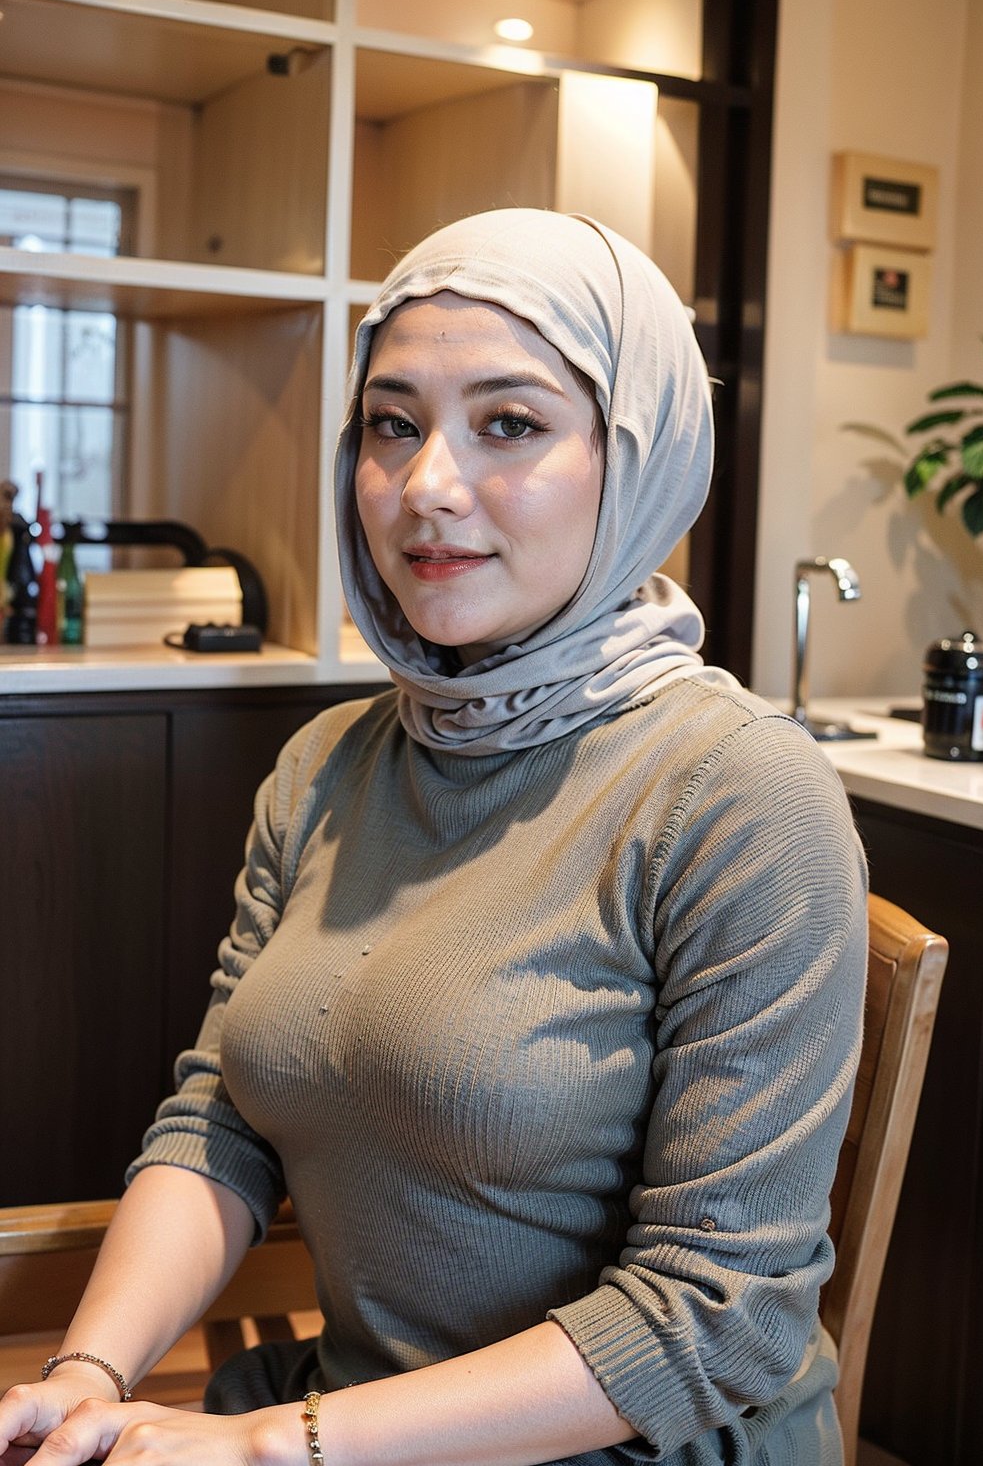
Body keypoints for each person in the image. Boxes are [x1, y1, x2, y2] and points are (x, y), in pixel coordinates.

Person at [0, 209, 867, 1466]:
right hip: (342, 1422)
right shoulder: (327, 768)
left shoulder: (737, 793)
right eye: (392, 424)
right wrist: (88, 1374)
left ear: (639, 460)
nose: (427, 489)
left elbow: (715, 1318)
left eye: (509, 423)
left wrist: (265, 1450)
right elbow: (221, 1121)